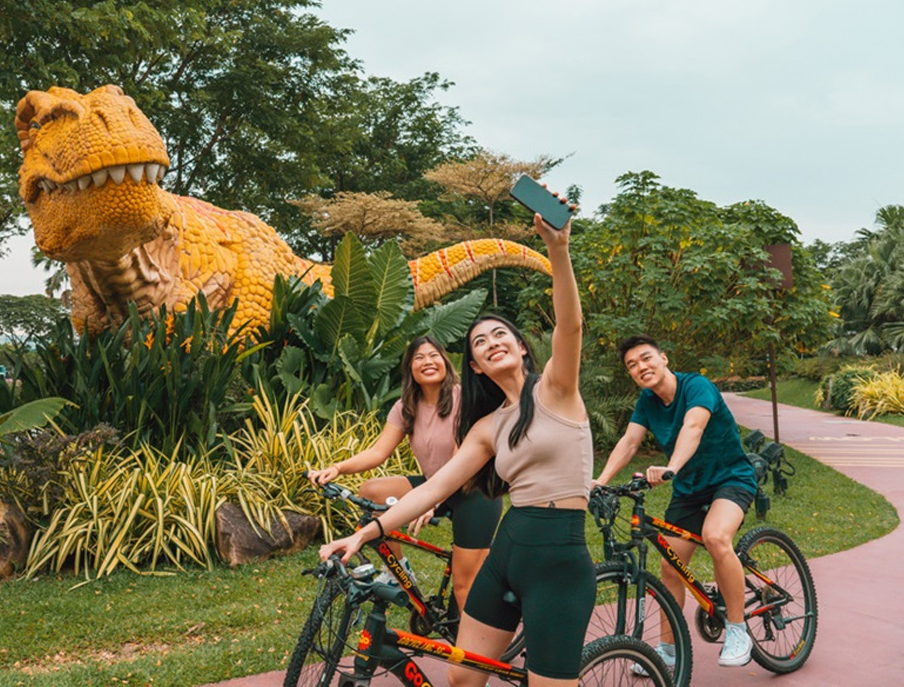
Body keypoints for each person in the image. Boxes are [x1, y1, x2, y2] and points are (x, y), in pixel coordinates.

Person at [320, 214, 594, 687]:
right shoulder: (487, 427)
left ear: (522, 347)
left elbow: (570, 324)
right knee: (461, 679)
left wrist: (559, 249)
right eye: (480, 342)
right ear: (476, 367)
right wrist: (364, 535)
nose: (491, 343)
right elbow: (437, 487)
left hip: (558, 556)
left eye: (499, 334)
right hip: (510, 547)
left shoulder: (556, 389)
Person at [594, 335, 759, 669]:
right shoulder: (647, 401)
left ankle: (738, 629)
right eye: (632, 365)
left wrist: (671, 467)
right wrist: (601, 481)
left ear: (663, 358)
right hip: (689, 489)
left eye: (646, 359)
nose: (641, 367)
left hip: (730, 479)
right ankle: (667, 650)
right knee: (670, 566)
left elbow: (693, 427)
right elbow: (629, 442)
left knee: (715, 537)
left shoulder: (696, 386)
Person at [308, 335, 502, 612]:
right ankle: (399, 573)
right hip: (434, 484)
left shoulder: (463, 397)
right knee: (372, 491)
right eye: (419, 357)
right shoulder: (406, 407)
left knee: (463, 586)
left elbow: (462, 457)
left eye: (434, 355)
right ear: (410, 368)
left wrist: (433, 499)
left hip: (473, 491)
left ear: (445, 361)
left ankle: (477, 647)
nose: (428, 362)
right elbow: (378, 453)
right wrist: (337, 468)